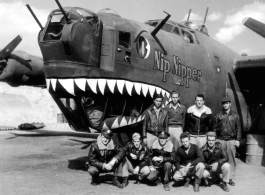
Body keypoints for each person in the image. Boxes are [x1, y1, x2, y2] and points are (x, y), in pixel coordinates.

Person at [213, 97, 241, 186]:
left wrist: (238, 139)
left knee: (231, 159)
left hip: (231, 140)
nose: (225, 105)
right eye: (223, 103)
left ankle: (230, 178)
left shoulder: (235, 115)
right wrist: (215, 139)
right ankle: (218, 177)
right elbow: (214, 127)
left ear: (230, 104)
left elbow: (238, 128)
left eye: (227, 103)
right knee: (218, 159)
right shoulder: (218, 115)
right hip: (220, 140)